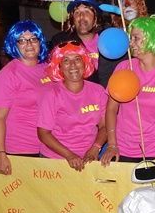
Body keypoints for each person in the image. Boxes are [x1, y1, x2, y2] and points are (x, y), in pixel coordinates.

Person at [100, 15, 155, 170]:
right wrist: (112, 144)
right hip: (123, 149)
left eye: (136, 38)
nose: (130, 43)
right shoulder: (123, 68)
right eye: (131, 38)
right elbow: (111, 109)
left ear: (152, 39)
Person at [0, 20, 51, 175]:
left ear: (40, 42)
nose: (29, 44)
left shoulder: (47, 69)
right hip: (21, 148)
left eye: (33, 39)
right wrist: (1, 154)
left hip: (48, 146)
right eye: (22, 40)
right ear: (14, 44)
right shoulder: (8, 74)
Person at [37, 41, 107, 170]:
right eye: (66, 61)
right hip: (55, 159)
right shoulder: (52, 94)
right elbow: (43, 133)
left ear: (85, 62)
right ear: (59, 67)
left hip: (88, 158)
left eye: (77, 59)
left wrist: (96, 148)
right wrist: (69, 155)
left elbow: (105, 126)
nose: (73, 65)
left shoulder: (98, 91)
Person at [49, 0, 101, 83]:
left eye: (87, 11)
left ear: (95, 17)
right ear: (72, 18)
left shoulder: (108, 39)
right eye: (77, 12)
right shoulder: (61, 42)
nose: (81, 16)